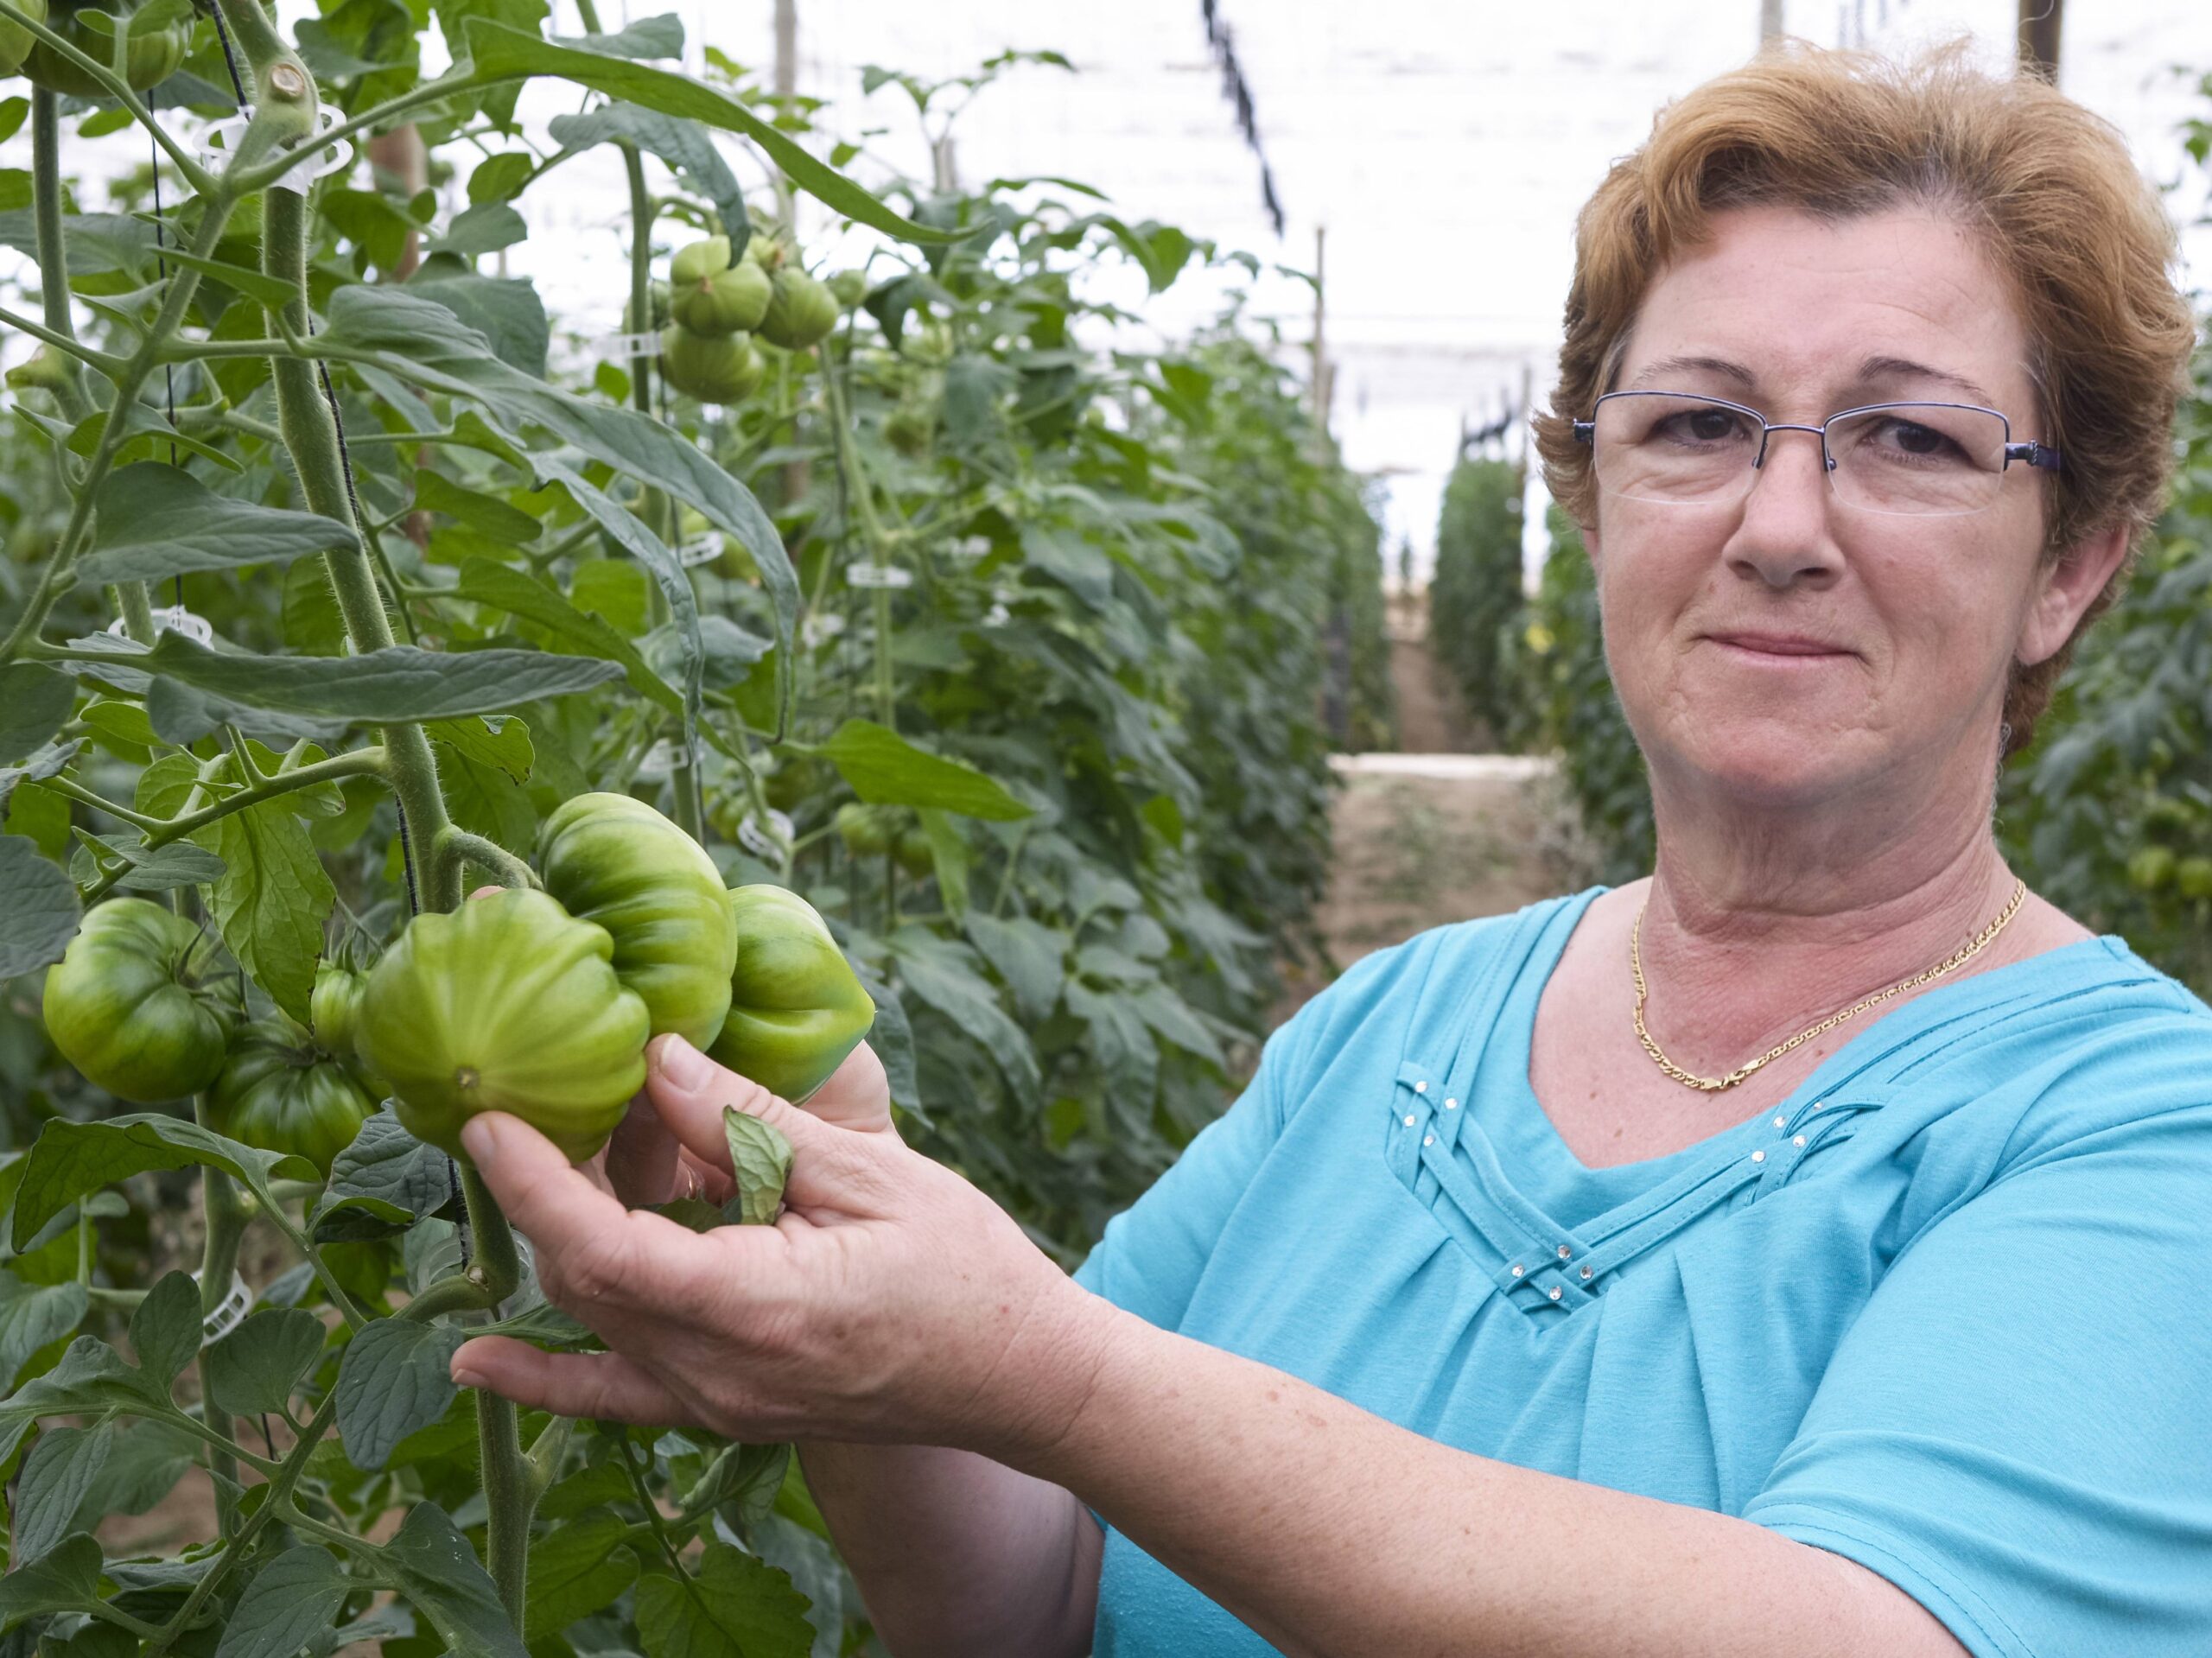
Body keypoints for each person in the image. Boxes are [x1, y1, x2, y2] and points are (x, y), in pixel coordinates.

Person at [449, 35, 2212, 1658]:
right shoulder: (1395, 1030)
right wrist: (857, 1252)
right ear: (1591, 498)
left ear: (2069, 564)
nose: (1779, 523)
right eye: (1695, 425)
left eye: (1907, 439)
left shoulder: (2138, 1129)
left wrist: (1045, 1372)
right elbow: (1045, 1588)